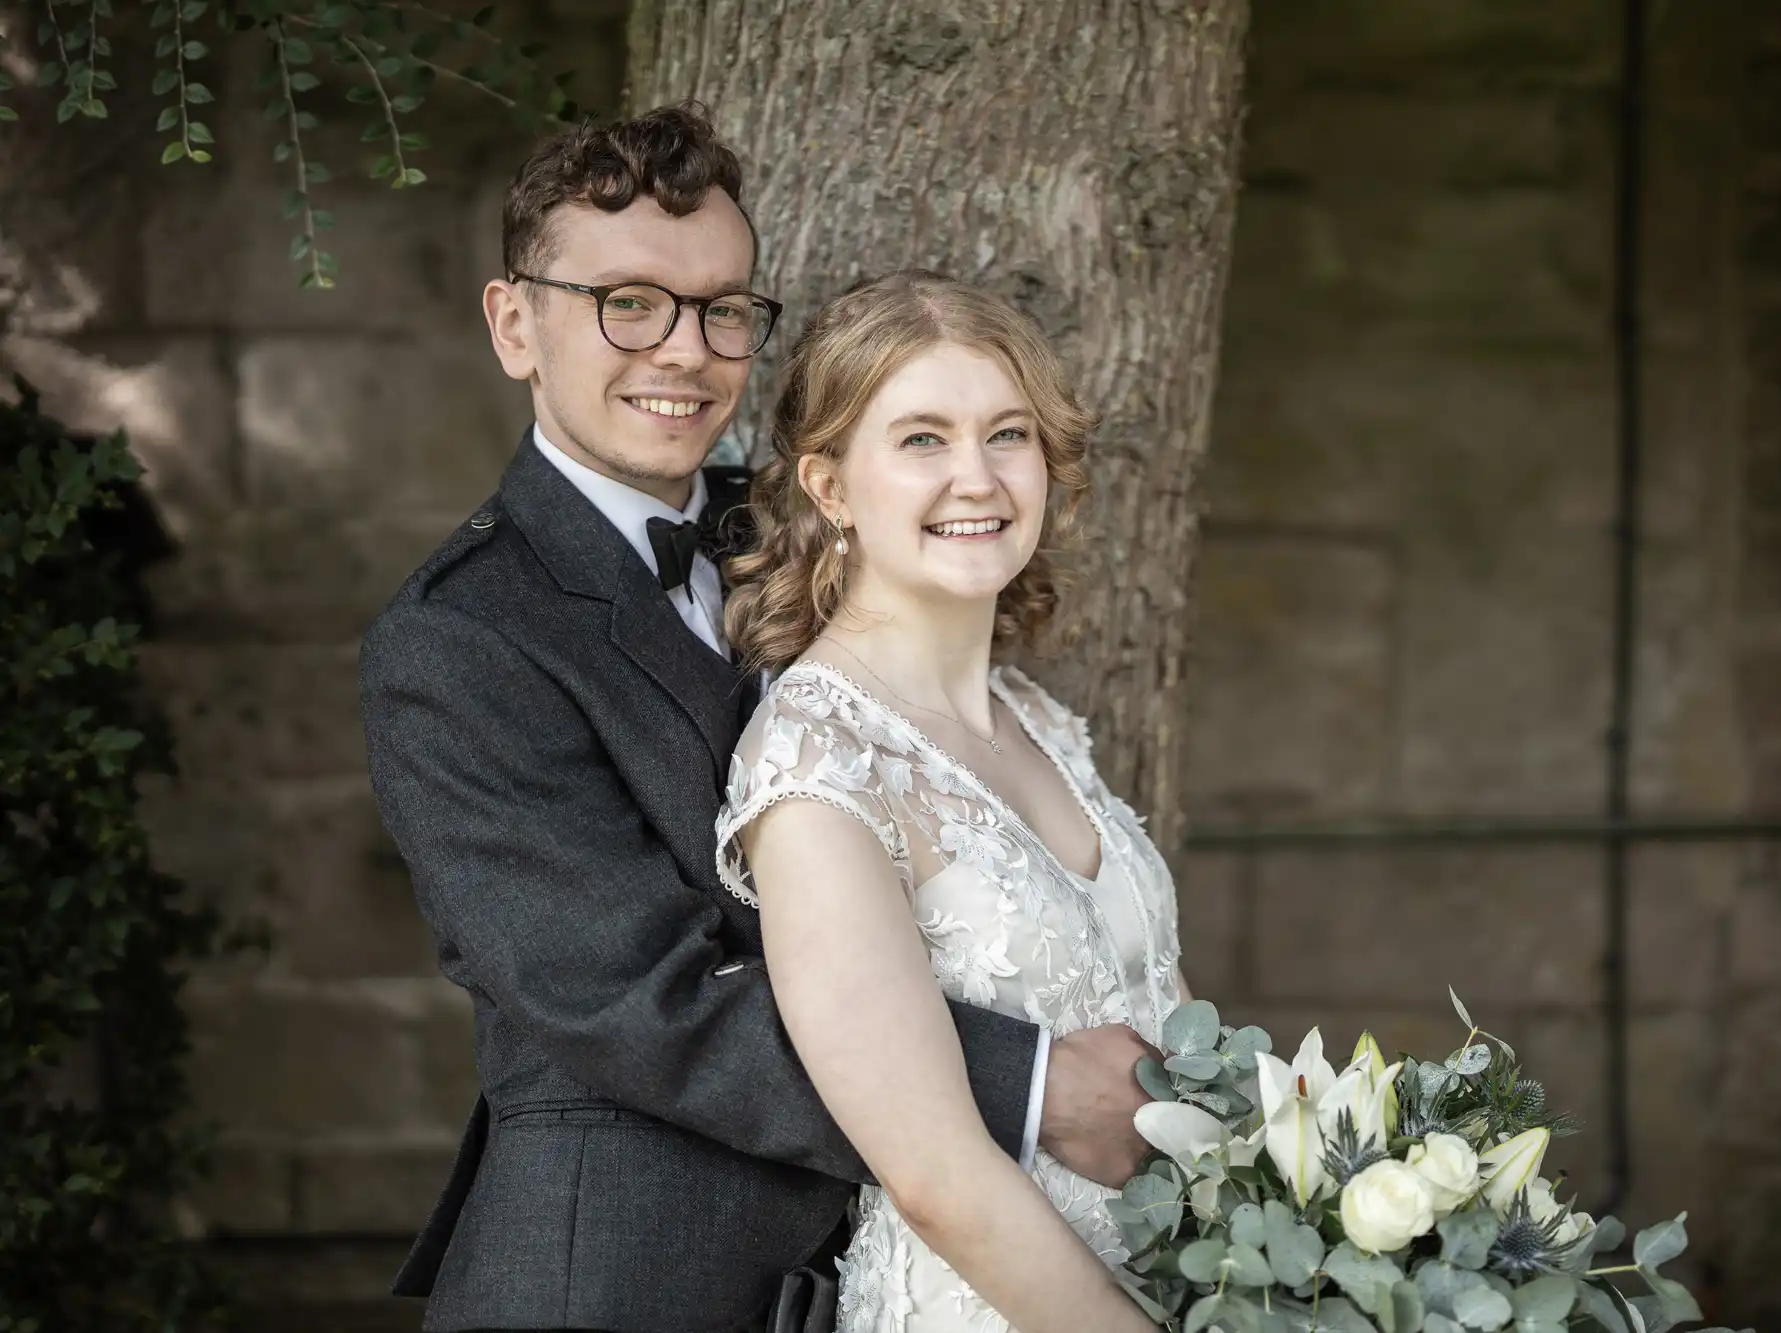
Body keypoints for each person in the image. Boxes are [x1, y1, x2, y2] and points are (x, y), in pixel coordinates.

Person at [357, 104, 1155, 1333]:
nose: (683, 351)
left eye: (722, 308)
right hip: (621, 1276)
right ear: (514, 323)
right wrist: (1031, 1084)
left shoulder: (808, 529)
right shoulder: (461, 640)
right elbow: (638, 995)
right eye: (628, 303)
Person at [714, 269, 1189, 1332]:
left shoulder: (1039, 721)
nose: (975, 478)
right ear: (830, 486)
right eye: (921, 439)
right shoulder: (817, 760)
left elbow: (1163, 1014)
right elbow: (933, 1174)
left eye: (1006, 434)